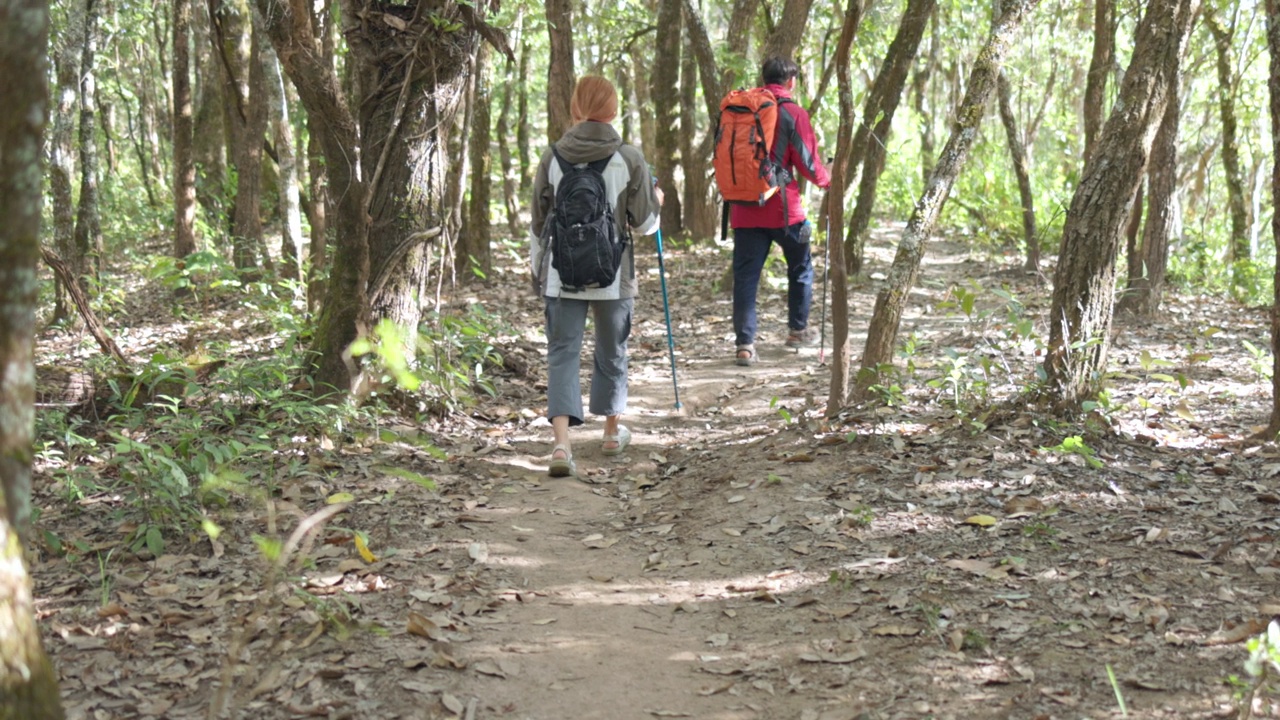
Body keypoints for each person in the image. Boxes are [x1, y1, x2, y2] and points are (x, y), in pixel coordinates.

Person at [531, 75, 664, 478]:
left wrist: (537, 270)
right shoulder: (628, 156)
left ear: (576, 106)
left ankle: (560, 445)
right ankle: (609, 433)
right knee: (612, 350)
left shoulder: (552, 157)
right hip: (614, 273)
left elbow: (539, 225)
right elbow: (643, 226)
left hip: (563, 273)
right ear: (612, 108)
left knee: (562, 353)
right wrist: (656, 203)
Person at [730, 57, 831, 366]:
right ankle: (797, 331)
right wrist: (829, 179)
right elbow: (809, 164)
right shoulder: (793, 113)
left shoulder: (740, 111)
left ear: (763, 78)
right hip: (783, 211)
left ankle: (745, 345)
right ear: (791, 82)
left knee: (746, 277)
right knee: (800, 267)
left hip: (744, 208)